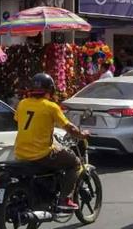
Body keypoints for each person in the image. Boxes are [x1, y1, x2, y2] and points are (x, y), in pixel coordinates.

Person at [14, 73, 88, 211]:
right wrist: (82, 134)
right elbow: (69, 127)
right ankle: (64, 199)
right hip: (42, 154)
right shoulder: (51, 106)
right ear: (50, 90)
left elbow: (19, 120)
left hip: (20, 153)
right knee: (75, 163)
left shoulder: (22, 104)